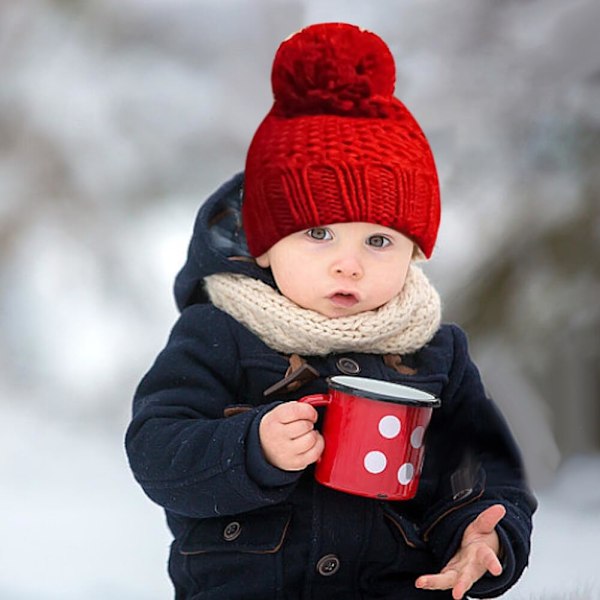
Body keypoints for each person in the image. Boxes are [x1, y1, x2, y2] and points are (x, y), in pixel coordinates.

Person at [125, 22, 536, 600]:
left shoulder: (437, 354)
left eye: (379, 241)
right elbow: (156, 449)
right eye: (318, 233)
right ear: (266, 242)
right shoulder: (218, 333)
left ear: (415, 253)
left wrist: (484, 535)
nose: (350, 264)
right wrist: (253, 449)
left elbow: (488, 469)